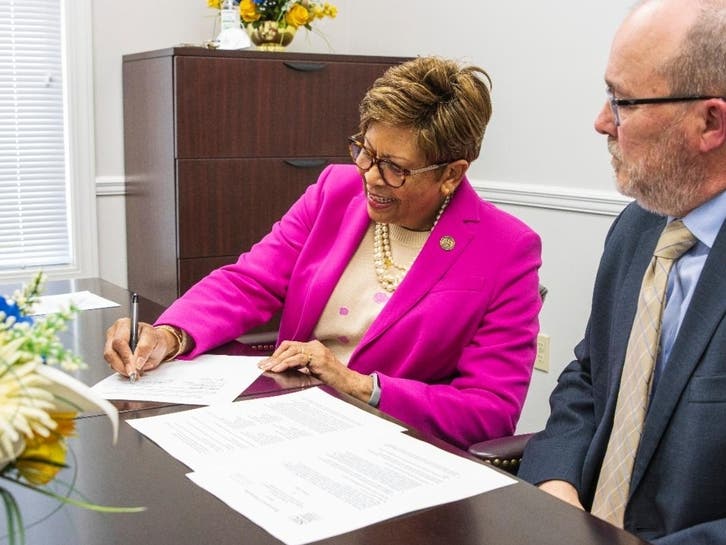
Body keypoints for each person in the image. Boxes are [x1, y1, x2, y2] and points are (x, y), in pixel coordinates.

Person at [104, 56, 542, 450]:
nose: (370, 176)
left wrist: (358, 385)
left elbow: (489, 411)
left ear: (451, 174)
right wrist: (169, 335)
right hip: (285, 420)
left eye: (395, 167)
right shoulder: (337, 189)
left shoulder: (506, 250)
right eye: (365, 152)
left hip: (390, 447)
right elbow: (250, 281)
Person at [518, 0, 726, 543]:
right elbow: (589, 377)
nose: (601, 121)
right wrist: (555, 483)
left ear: (711, 122)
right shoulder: (637, 229)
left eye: (623, 101)